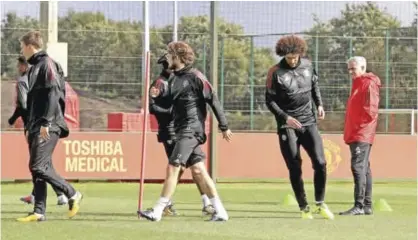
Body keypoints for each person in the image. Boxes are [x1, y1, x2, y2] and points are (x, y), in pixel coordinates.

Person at [138, 41, 232, 222]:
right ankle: (220, 211)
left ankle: (158, 211)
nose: (167, 57)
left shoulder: (196, 77)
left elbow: (213, 99)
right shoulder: (173, 79)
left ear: (179, 57)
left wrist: (224, 125)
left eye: (170, 54)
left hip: (192, 129)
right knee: (198, 170)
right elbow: (168, 106)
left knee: (173, 167)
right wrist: (156, 97)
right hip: (181, 129)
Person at [265, 35, 334, 220]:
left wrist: (319, 104)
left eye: (295, 57)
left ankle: (320, 203)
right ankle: (304, 207)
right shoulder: (275, 72)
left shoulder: (308, 65)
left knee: (320, 162)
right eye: (289, 57)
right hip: (287, 125)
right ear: (283, 55)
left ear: (300, 54)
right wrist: (285, 118)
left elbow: (314, 86)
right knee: (295, 166)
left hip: (309, 121)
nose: (293, 60)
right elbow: (269, 101)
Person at [16, 30, 82, 222]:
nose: (21, 50)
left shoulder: (47, 64)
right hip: (36, 124)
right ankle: (38, 212)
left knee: (38, 166)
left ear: (29, 46)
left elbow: (53, 93)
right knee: (38, 167)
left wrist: (46, 122)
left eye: (22, 46)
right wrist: (30, 124)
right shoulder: (35, 67)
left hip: (49, 124)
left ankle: (72, 193)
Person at [148, 54, 215, 216]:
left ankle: (207, 203)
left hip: (184, 129)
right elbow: (152, 108)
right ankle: (167, 204)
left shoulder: (179, 80)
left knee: (194, 166)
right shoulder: (160, 83)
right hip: (170, 130)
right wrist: (174, 111)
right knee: (182, 167)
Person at [9, 56, 69, 206]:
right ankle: (41, 197)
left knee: (38, 163)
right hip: (45, 122)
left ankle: (67, 192)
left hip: (34, 125)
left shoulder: (24, 80)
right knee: (43, 162)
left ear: (24, 65)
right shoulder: (41, 78)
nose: (18, 68)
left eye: (19, 65)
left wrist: (23, 123)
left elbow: (23, 104)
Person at [339, 56, 381, 216]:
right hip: (357, 132)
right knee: (365, 168)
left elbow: (371, 110)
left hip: (361, 133)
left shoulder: (368, 83)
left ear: (363, 67)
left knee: (358, 168)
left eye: (353, 68)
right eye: (349, 69)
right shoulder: (358, 83)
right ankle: (367, 206)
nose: (350, 72)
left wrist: (359, 128)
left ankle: (359, 205)